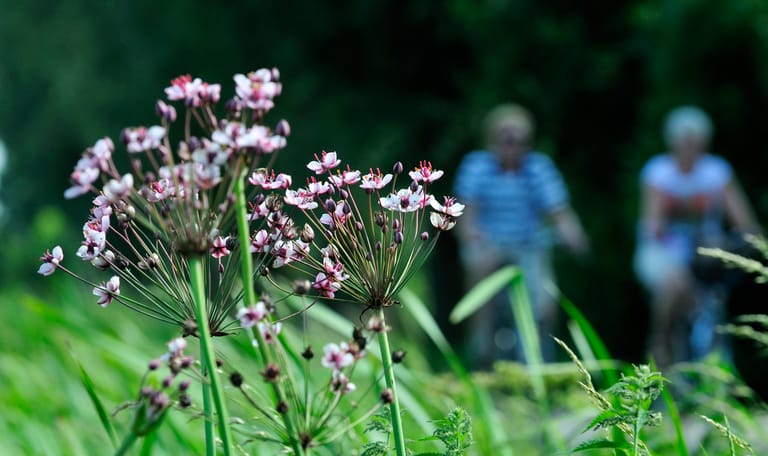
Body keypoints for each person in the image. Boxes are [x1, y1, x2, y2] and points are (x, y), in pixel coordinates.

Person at [454, 103, 588, 369]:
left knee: (543, 299)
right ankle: (483, 353)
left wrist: (575, 237)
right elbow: (466, 215)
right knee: (481, 291)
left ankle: (537, 360)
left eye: (519, 141)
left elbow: (559, 211)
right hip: (488, 245)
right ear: (492, 140)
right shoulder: (477, 166)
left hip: (529, 246)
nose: (513, 147)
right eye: (506, 140)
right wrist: (471, 236)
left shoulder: (539, 168)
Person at [634, 105, 759, 367]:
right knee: (672, 285)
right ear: (674, 143)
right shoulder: (658, 172)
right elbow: (653, 225)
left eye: (696, 142)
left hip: (705, 255)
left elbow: (744, 222)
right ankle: (660, 343)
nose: (691, 148)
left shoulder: (716, 171)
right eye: (685, 142)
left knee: (710, 296)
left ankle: (709, 365)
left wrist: (746, 242)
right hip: (664, 250)